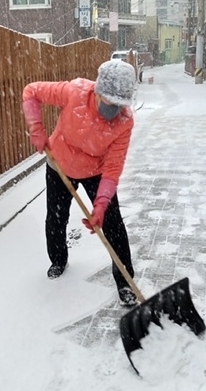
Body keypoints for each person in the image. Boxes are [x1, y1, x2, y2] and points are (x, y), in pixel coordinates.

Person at [22, 59, 137, 306]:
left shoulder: (124, 123)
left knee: (113, 224)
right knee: (56, 217)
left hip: (95, 171)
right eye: (110, 102)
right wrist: (36, 128)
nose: (114, 109)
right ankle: (58, 259)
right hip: (59, 164)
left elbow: (114, 166)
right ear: (97, 91)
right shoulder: (75, 93)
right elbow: (31, 92)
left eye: (120, 105)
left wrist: (102, 203)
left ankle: (125, 281)